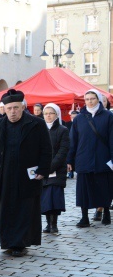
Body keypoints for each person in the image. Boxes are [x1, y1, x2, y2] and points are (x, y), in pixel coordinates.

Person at [0, 90, 52, 257]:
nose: (12, 111)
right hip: (4, 174)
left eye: (16, 108)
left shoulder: (36, 124)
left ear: (23, 107)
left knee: (24, 209)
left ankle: (20, 243)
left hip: (27, 175)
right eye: (9, 108)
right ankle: (8, 242)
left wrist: (42, 170)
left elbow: (46, 149)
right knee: (5, 209)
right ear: (4, 108)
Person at [67, 89, 113, 227]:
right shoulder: (79, 118)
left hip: (102, 158)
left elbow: (112, 139)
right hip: (83, 158)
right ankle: (84, 217)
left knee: (104, 187)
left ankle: (106, 212)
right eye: (87, 99)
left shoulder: (108, 116)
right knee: (83, 190)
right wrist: (70, 159)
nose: (89, 101)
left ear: (98, 99)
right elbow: (73, 140)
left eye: (92, 98)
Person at [41, 103, 70, 234]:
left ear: (56, 114)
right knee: (45, 198)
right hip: (42, 170)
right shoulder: (40, 129)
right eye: (46, 113)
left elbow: (63, 151)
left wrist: (51, 166)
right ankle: (48, 224)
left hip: (56, 169)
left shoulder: (63, 130)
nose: (48, 115)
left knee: (54, 198)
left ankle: (54, 223)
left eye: (51, 113)